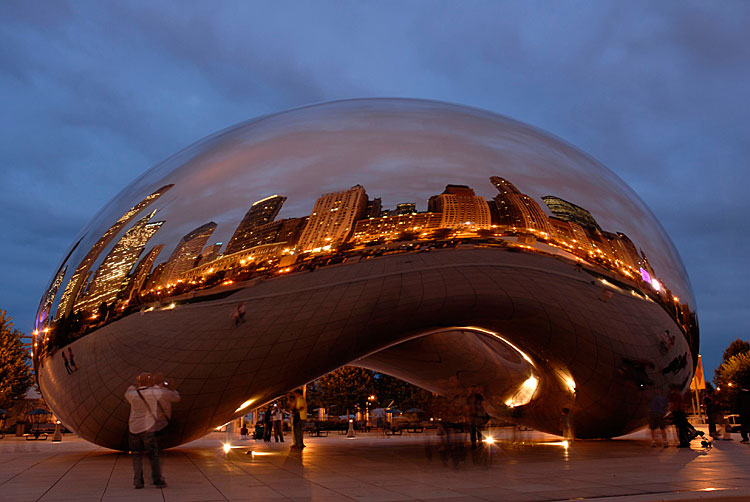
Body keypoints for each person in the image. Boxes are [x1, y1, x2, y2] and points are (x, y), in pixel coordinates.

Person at [124, 372, 180, 489]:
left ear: (138, 382)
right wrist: (168, 384)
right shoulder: (155, 392)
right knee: (153, 455)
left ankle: (138, 481)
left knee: (136, 456)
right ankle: (157, 480)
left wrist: (136, 384)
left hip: (134, 427)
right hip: (148, 428)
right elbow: (172, 395)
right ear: (149, 382)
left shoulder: (132, 394)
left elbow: (128, 391)